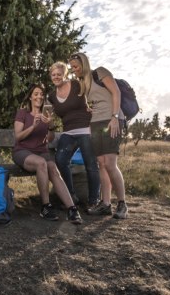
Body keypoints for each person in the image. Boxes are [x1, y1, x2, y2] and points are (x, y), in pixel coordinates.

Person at [68, 52, 128, 219]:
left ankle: (122, 204)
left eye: (76, 66)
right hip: (95, 123)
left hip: (112, 120)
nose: (74, 70)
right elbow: (94, 102)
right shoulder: (83, 83)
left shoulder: (100, 72)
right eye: (72, 67)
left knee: (110, 163)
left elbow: (116, 92)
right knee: (101, 163)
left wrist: (115, 117)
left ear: (84, 63)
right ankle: (106, 204)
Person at [12, 83, 82, 224]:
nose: (39, 96)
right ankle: (45, 206)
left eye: (41, 94)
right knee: (42, 163)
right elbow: (18, 137)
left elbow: (49, 139)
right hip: (23, 152)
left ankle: (72, 209)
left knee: (53, 169)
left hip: (41, 151)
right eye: (36, 94)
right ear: (30, 97)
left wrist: (49, 125)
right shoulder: (23, 113)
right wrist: (33, 126)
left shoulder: (46, 115)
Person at [48, 62, 100, 208]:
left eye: (59, 74)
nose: (56, 77)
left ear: (64, 74)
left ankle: (93, 201)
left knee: (91, 165)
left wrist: (93, 109)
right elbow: (49, 113)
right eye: (53, 75)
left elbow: (93, 94)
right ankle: (71, 196)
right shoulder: (52, 96)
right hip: (68, 133)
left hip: (85, 130)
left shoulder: (77, 85)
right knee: (60, 160)